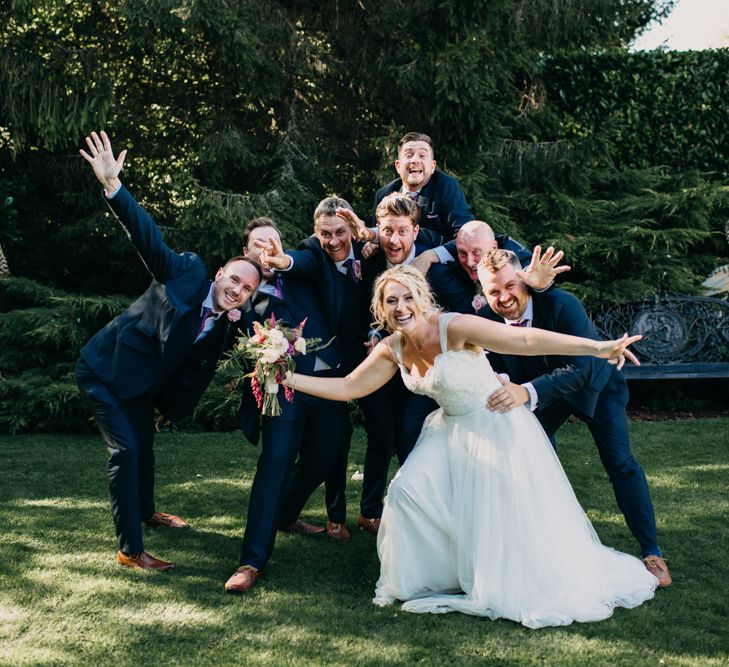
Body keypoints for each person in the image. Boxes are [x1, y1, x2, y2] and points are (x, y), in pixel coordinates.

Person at [280, 264, 659, 627]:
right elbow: (349, 387)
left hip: (496, 423)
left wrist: (595, 348)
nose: (401, 308)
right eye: (391, 301)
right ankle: (427, 576)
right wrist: (289, 378)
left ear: (422, 298)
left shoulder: (454, 326)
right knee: (406, 493)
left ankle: (501, 575)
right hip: (448, 430)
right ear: (381, 308)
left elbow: (524, 339)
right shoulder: (393, 348)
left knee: (496, 510)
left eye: (407, 297)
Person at [75, 131, 261, 571]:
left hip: (140, 387)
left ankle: (146, 512)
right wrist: (114, 188)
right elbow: (148, 238)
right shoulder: (185, 273)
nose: (236, 290)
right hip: (103, 370)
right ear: (219, 274)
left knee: (146, 447)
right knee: (125, 452)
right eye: (234, 280)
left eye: (247, 289)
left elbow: (195, 369)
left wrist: (169, 407)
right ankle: (130, 550)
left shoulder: (226, 325)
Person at [477, 249, 671, 587]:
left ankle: (652, 551)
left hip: (595, 386)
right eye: (493, 291)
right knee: (529, 462)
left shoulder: (561, 304)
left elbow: (580, 370)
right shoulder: (485, 322)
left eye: (510, 285)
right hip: (542, 397)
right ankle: (539, 550)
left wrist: (526, 392)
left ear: (523, 279)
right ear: (483, 292)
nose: (504, 297)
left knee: (620, 463)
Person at [226, 217, 352, 593]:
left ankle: (284, 514)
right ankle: (251, 561)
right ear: (246, 252)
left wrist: (285, 261)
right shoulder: (242, 296)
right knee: (275, 462)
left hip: (329, 383)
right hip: (282, 391)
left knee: (324, 458)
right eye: (259, 245)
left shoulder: (304, 265)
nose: (267, 250)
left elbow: (308, 259)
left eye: (274, 243)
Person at [429, 219, 567, 314]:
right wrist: (428, 256)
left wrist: (540, 287)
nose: (470, 262)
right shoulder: (455, 264)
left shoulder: (516, 260)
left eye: (477, 253)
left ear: (494, 247)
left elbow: (530, 273)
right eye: (462, 253)